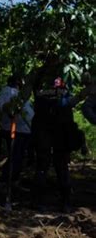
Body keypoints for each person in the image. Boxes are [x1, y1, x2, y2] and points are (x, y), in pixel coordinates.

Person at [32, 73, 87, 212]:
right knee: (55, 166)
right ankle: (58, 202)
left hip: (54, 133)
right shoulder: (53, 85)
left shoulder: (42, 86)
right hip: (53, 132)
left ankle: (54, 202)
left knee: (47, 166)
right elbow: (67, 103)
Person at [0, 75, 34, 184]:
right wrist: (10, 109)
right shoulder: (8, 91)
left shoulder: (21, 94)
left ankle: (14, 179)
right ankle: (7, 179)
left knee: (20, 156)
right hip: (15, 130)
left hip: (25, 130)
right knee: (16, 156)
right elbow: (1, 106)